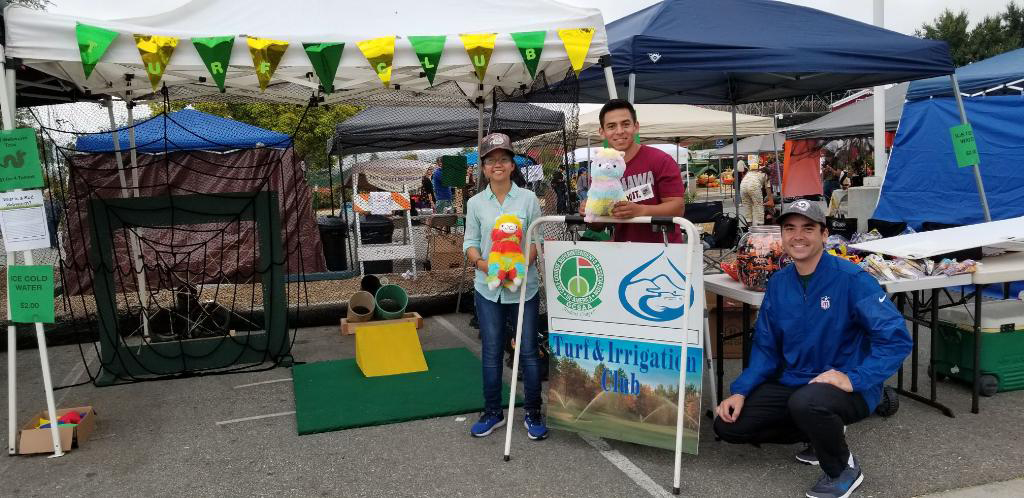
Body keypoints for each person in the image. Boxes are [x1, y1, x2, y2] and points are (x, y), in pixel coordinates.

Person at [713, 200, 911, 498]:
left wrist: (854, 378)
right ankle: (818, 434)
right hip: (797, 382)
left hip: (849, 387)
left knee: (808, 403)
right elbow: (766, 348)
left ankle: (843, 468)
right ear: (782, 235)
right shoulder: (779, 283)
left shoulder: (852, 279)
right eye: (790, 228)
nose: (798, 236)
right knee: (728, 425)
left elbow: (896, 339)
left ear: (824, 234)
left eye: (808, 228)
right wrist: (741, 391)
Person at [462, 132, 547, 440]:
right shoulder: (475, 203)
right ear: (483, 168)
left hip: (524, 287)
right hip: (488, 287)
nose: (497, 165)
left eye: (503, 159)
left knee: (527, 351)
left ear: (512, 165)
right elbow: (470, 243)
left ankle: (534, 412)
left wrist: (519, 267)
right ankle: (493, 412)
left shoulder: (528, 198)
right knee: (491, 351)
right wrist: (484, 265)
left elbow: (536, 239)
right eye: (491, 161)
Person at [579, 99, 686, 242]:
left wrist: (641, 211)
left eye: (625, 124)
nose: (619, 131)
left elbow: (678, 208)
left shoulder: (660, 160)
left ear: (636, 127)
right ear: (602, 132)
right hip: (625, 253)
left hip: (665, 253)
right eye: (611, 126)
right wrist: (588, 211)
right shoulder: (600, 169)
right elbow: (598, 226)